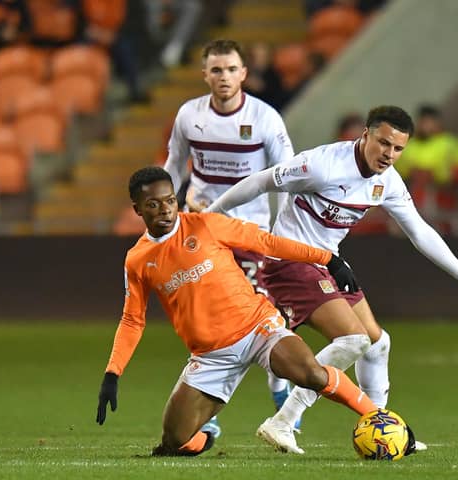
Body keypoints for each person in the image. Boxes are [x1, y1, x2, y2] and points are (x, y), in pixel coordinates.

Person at [206, 105, 458, 454]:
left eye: (397, 149)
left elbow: (419, 231)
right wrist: (208, 219)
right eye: (383, 143)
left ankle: (383, 428)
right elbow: (261, 182)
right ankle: (282, 422)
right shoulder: (321, 165)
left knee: (377, 343)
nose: (389, 154)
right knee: (353, 339)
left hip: (326, 265)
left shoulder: (388, 180)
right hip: (290, 261)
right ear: (365, 134)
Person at [95, 166, 403, 457]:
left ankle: (380, 419)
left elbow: (266, 242)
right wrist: (113, 373)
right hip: (210, 355)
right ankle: (204, 440)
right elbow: (132, 319)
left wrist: (327, 260)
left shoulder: (206, 225)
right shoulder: (137, 260)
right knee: (175, 440)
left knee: (309, 372)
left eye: (169, 200)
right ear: (137, 209)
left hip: (258, 329)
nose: (165, 209)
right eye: (153, 204)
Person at [162, 39, 296, 435]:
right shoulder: (189, 115)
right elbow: (173, 165)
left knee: (258, 318)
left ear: (244, 74)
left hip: (249, 234)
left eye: (231, 69)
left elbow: (287, 175)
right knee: (207, 323)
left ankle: (278, 387)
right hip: (202, 232)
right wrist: (168, 216)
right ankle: (210, 414)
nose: (224, 77)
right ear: (204, 74)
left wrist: (282, 228)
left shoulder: (266, 118)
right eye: (216, 70)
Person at [395, 104, 458, 232]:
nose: (426, 125)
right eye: (423, 121)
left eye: (430, 121)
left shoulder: (451, 143)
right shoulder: (408, 145)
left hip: (444, 196)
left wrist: (443, 176)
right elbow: (398, 171)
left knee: (446, 231)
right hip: (415, 197)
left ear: (438, 122)